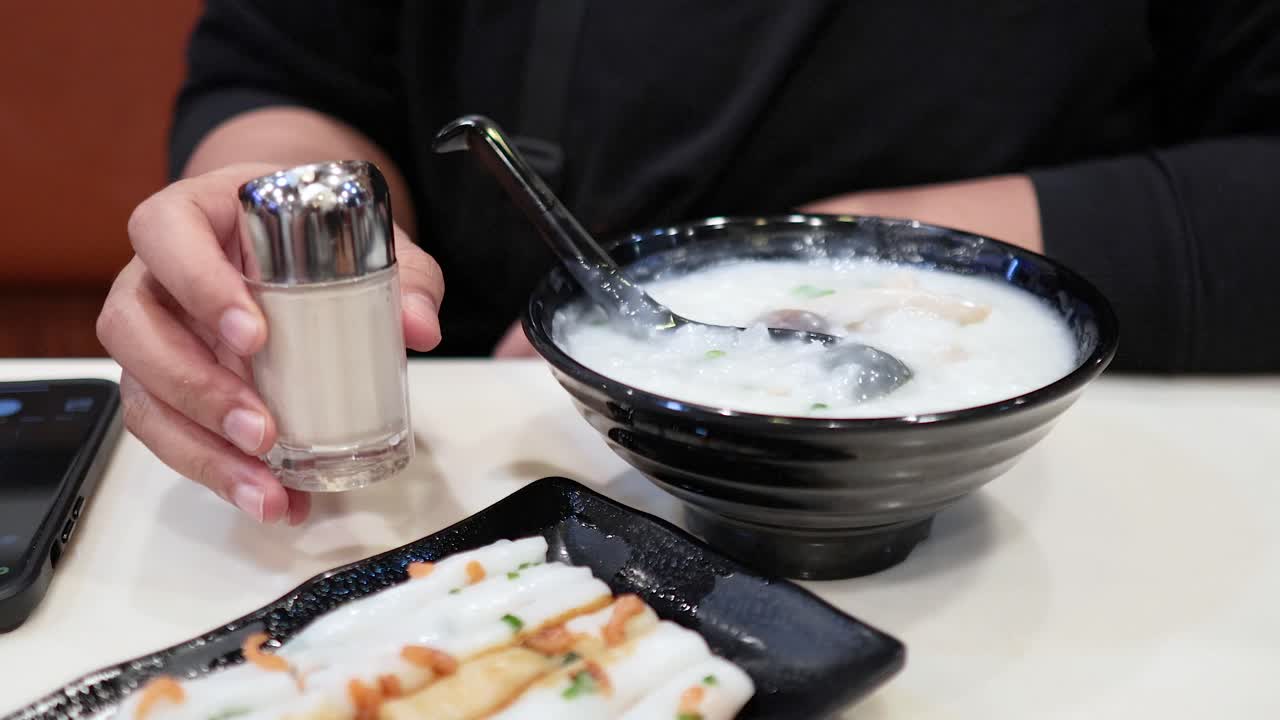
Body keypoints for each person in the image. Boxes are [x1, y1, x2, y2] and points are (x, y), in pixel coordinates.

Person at [97, 1, 1280, 524]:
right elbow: (285, 72)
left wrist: (877, 270)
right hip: (475, 485)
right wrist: (283, 247)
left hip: (1071, 499)